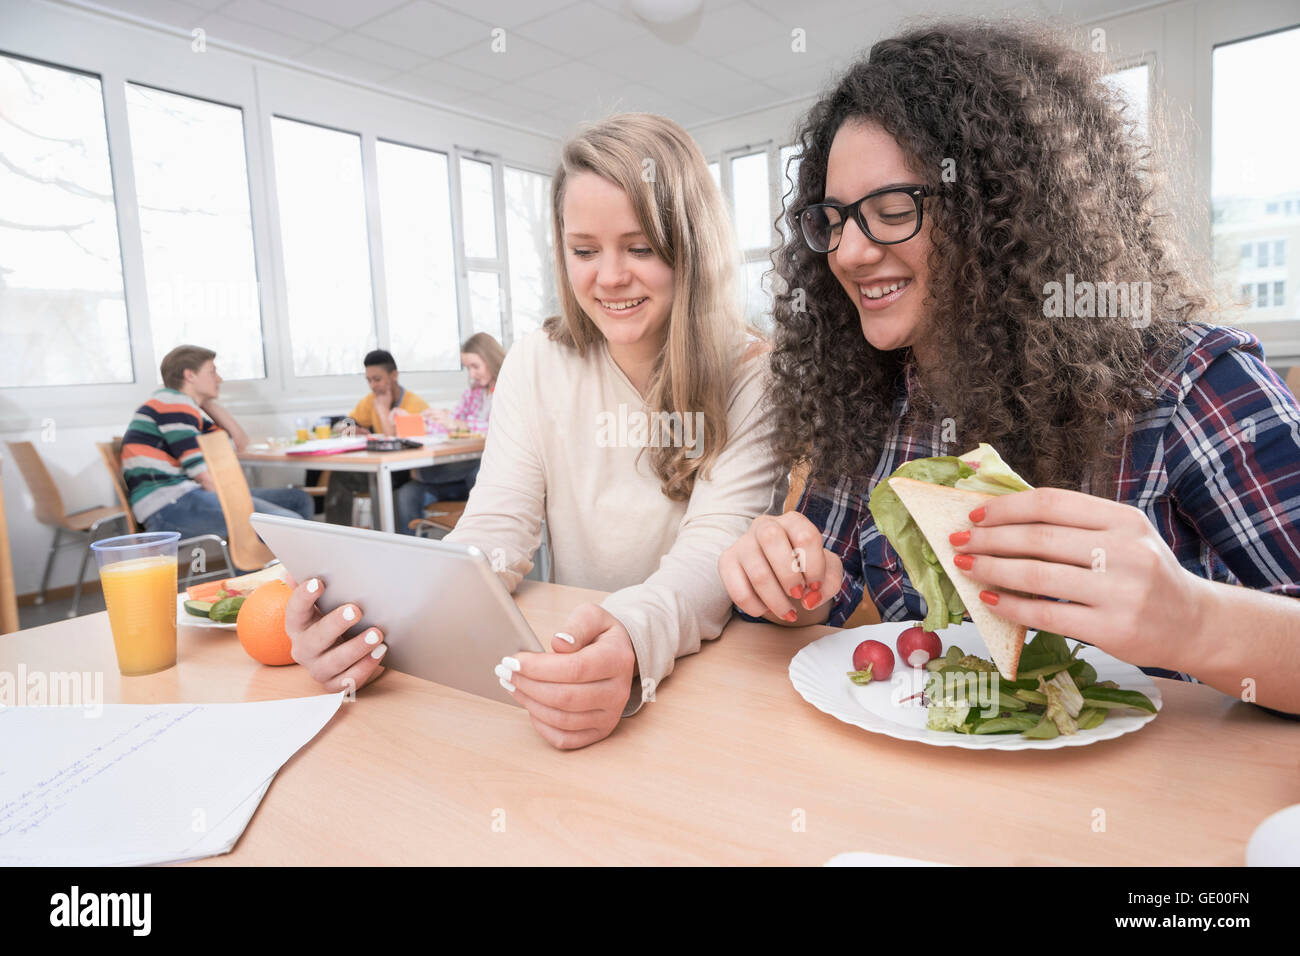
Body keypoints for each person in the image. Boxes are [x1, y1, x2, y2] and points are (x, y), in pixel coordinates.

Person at [718, 21, 1300, 716]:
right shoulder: (873, 398)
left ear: (1002, 210)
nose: (846, 252)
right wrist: (790, 578)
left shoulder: (1192, 385)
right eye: (835, 219)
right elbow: (823, 593)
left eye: (892, 210)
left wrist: (1195, 621)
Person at [285, 112, 786, 748]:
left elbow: (711, 556)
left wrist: (629, 637)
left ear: (690, 247)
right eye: (584, 251)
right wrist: (386, 622)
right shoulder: (536, 360)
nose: (607, 277)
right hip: (575, 659)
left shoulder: (750, 372)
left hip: (707, 681)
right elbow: (496, 529)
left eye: (640, 248)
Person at [122, 345, 313, 541]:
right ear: (190, 376)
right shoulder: (173, 405)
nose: (219, 379)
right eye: (212, 372)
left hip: (182, 498)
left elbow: (239, 440)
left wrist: (204, 401)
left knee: (298, 500)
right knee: (289, 522)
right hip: (169, 506)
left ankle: (273, 567)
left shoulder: (184, 407)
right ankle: (256, 566)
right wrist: (236, 504)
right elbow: (204, 477)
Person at [396, 332, 503, 535]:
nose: (471, 374)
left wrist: (457, 424)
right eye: (468, 368)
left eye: (475, 366)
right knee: (407, 493)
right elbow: (450, 424)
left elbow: (497, 428)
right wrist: (418, 420)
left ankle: (482, 550)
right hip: (457, 478)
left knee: (476, 472)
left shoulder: (507, 390)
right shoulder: (473, 393)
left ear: (491, 359)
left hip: (480, 474)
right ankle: (415, 560)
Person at [324, 349, 430, 526]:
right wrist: (352, 429)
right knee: (340, 476)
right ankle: (336, 536)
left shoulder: (414, 404)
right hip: (381, 465)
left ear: (394, 375)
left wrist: (382, 410)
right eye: (369, 380)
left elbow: (399, 443)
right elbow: (344, 423)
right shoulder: (370, 401)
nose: (373, 385)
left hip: (408, 469)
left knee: (376, 479)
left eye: (377, 379)